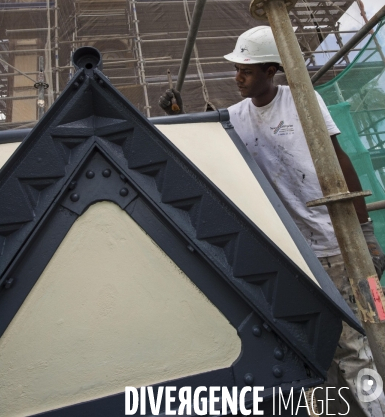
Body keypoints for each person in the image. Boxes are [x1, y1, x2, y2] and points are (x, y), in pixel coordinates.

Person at [159, 25, 385, 416]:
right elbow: (207, 134)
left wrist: (364, 233)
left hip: (334, 245)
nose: (238, 77)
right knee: (316, 348)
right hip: (295, 253)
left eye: (246, 70)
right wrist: (179, 115)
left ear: (270, 70)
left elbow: (338, 157)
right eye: (237, 69)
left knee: (355, 345)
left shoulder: (301, 100)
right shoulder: (238, 115)